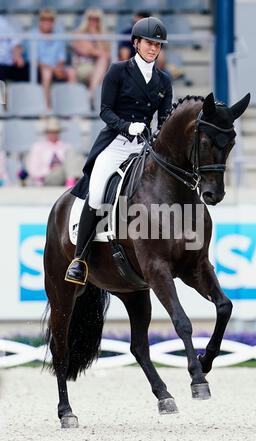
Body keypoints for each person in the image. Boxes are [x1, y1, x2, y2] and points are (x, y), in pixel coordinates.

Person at [65, 16, 173, 285]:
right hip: (116, 144)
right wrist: (127, 126)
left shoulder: (163, 81)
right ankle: (80, 259)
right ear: (136, 43)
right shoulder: (117, 71)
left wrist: (157, 137)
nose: (153, 48)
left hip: (145, 148)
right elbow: (105, 111)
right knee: (98, 191)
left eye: (158, 45)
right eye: (149, 43)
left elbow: (165, 119)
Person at [35, 9, 76, 109]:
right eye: (44, 19)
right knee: (46, 72)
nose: (47, 22)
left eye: (50, 20)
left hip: (56, 68)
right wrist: (54, 69)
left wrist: (59, 67)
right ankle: (46, 108)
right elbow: (35, 61)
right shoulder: (32, 35)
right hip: (39, 68)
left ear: (53, 22)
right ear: (40, 21)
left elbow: (62, 58)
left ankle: (73, 106)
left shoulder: (58, 35)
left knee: (71, 72)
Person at [25, 117, 84, 187]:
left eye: (55, 132)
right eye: (51, 132)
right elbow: (33, 170)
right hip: (47, 177)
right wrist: (50, 169)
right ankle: (72, 183)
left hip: (65, 175)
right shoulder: (38, 147)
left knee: (74, 154)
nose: (53, 134)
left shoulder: (66, 146)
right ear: (47, 133)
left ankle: (71, 182)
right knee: (68, 162)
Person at [71, 8, 110, 98]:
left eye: (96, 19)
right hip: (82, 67)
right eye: (91, 19)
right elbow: (89, 51)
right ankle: (91, 97)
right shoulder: (79, 34)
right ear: (86, 20)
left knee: (104, 69)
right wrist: (98, 50)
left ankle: (91, 96)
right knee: (103, 75)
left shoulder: (103, 35)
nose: (93, 22)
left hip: (99, 69)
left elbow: (106, 55)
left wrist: (96, 36)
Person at [0, 15, 29, 83]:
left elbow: (16, 41)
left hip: (7, 64)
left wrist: (17, 55)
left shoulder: (2, 22)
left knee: (33, 71)